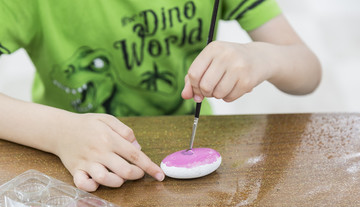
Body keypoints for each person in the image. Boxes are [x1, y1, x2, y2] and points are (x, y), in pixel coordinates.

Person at [0, 0, 321, 191]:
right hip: (75, 161)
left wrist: (265, 58)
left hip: (194, 146)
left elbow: (308, 73)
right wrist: (59, 132)